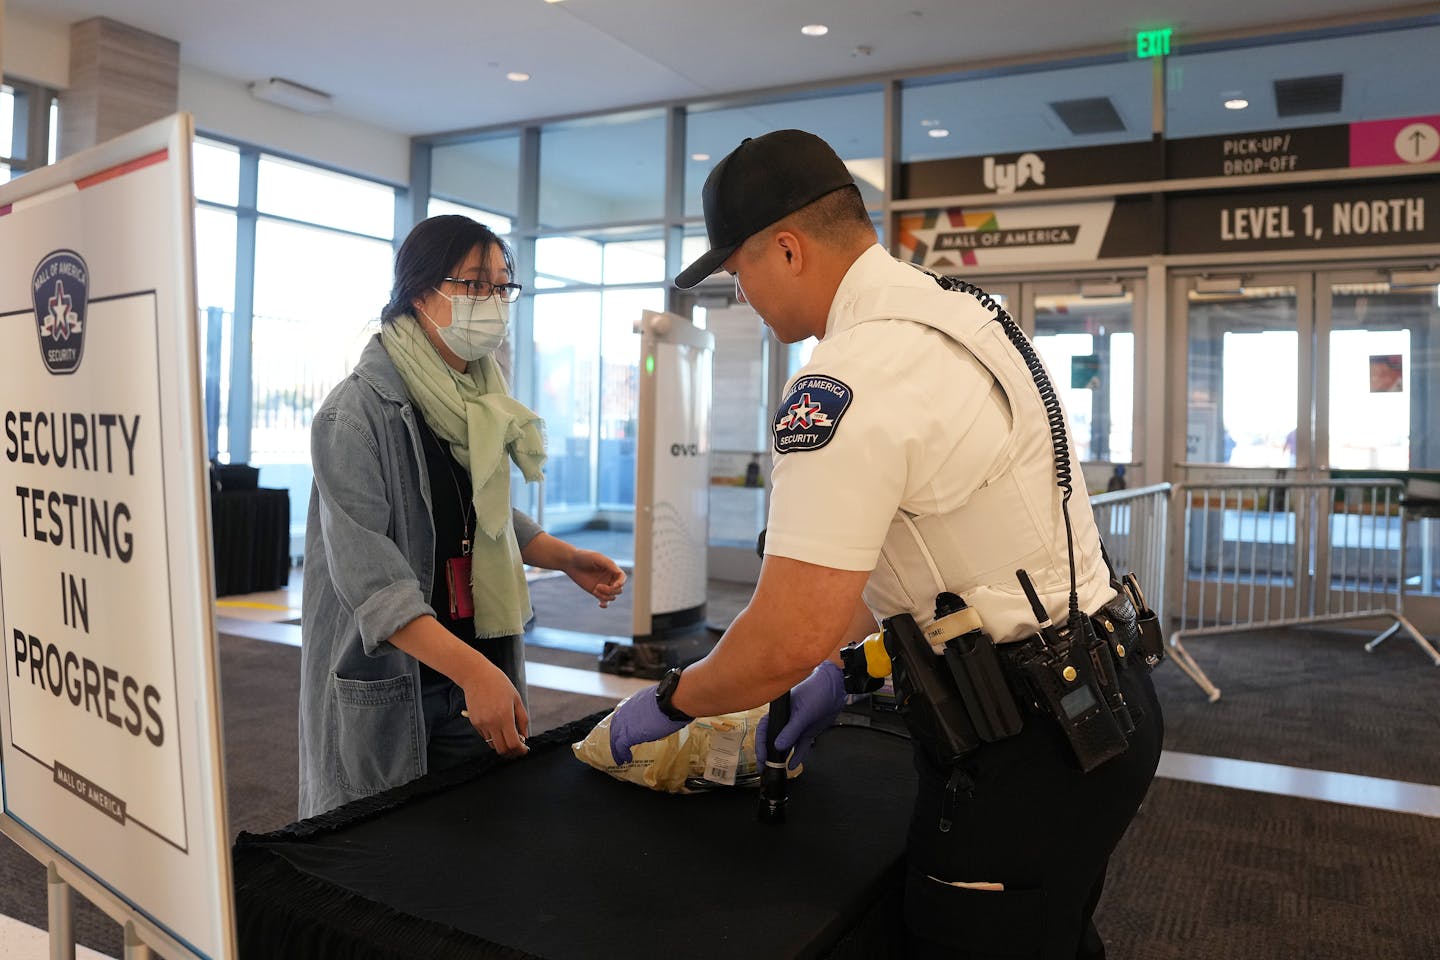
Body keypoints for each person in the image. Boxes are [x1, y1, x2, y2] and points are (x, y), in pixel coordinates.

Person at [608, 130, 1163, 959]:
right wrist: (856, 668)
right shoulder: (963, 313)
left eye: (738, 269)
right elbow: (975, 552)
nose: (740, 292)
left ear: (788, 249)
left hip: (1024, 745)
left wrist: (668, 701)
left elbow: (789, 633)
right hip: (1101, 699)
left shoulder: (848, 374)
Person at [299, 215, 627, 818]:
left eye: (503, 286)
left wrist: (565, 557)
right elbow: (374, 585)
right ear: (422, 293)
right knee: (390, 862)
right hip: (406, 684)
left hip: (475, 672)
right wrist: (473, 673)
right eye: (476, 284)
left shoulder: (475, 396)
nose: (495, 302)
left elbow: (481, 513)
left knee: (480, 848)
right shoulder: (353, 417)